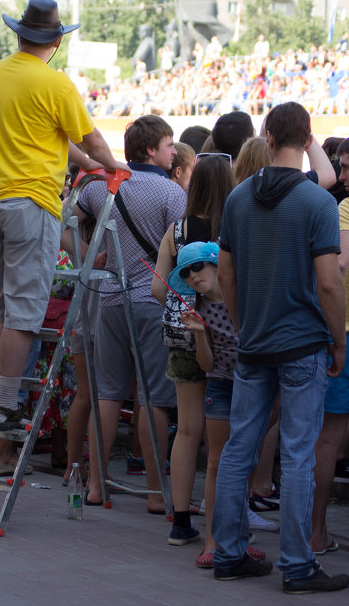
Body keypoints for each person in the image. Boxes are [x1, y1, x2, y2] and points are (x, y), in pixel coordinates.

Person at [0, 0, 128, 434]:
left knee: (2, 308)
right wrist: (112, 166)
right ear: (57, 40)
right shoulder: (55, 84)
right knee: (24, 314)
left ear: (19, 33)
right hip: (30, 203)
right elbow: (92, 140)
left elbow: (56, 138)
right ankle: (5, 406)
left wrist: (92, 163)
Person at [213, 101, 348, 593]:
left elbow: (225, 273)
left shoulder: (239, 198)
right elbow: (330, 285)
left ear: (266, 136)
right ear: (307, 138)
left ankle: (227, 552)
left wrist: (243, 322)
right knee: (296, 455)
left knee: (238, 451)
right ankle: (297, 565)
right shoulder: (316, 203)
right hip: (302, 344)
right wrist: (337, 342)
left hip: (255, 344)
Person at [69, 115, 185, 513]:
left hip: (109, 299)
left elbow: (66, 220)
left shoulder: (103, 184)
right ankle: (155, 492)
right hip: (151, 300)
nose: (174, 152)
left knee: (107, 394)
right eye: (169, 145)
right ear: (152, 149)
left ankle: (97, 485)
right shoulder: (171, 193)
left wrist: (86, 257)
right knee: (153, 398)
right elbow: (185, 249)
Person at [152, 154, 234, 543]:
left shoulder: (177, 229)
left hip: (185, 336)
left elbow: (157, 287)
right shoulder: (234, 227)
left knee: (186, 431)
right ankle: (228, 519)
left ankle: (181, 523)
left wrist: (183, 303)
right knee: (225, 441)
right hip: (229, 341)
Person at [169, 242, 266, 569]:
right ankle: (213, 541)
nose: (193, 276)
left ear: (215, 264)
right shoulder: (199, 308)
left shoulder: (245, 294)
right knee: (216, 461)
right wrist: (198, 333)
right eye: (185, 272)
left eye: (198, 267)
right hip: (223, 384)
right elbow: (208, 366)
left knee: (247, 460)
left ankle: (237, 536)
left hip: (257, 383)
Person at [310, 137, 349, 555]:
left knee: (329, 437)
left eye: (348, 168)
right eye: (340, 167)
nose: (341, 177)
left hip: (344, 333)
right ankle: (316, 531)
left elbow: (336, 266)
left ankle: (317, 531)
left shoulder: (344, 208)